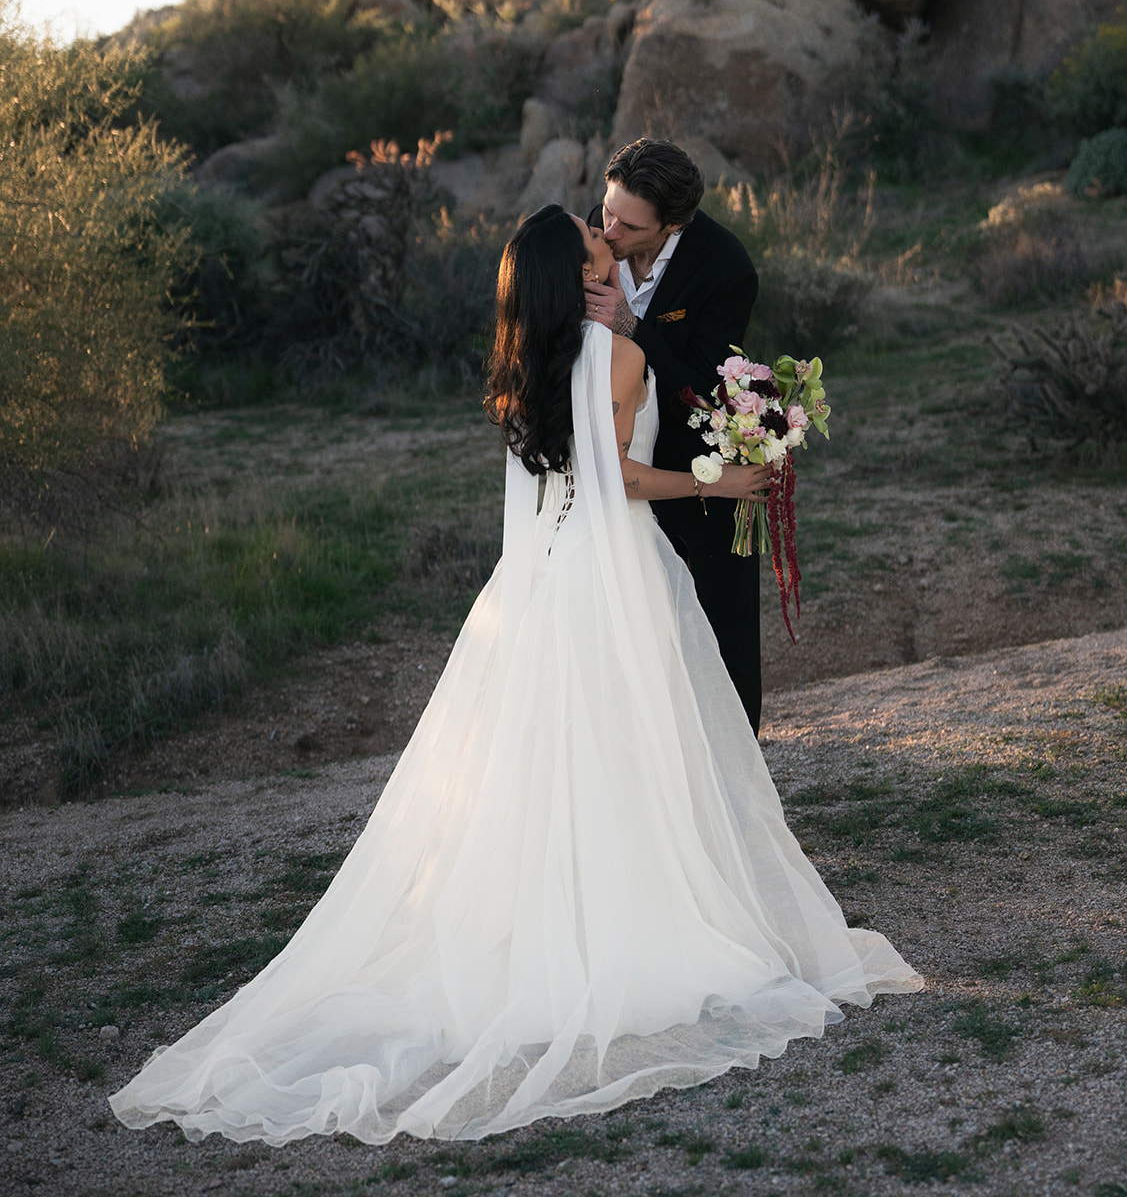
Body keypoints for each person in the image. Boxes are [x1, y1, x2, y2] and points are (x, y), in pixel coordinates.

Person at [109, 205, 920, 1148]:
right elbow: (617, 480)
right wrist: (719, 482)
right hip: (615, 569)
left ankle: (557, 920)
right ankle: (637, 921)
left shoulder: (525, 364)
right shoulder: (617, 360)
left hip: (538, 580)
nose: (608, 249)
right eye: (595, 246)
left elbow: (565, 477)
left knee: (555, 759)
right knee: (631, 746)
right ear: (573, 272)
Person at [585, 139, 764, 732]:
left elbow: (705, 389)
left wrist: (631, 327)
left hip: (703, 469)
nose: (607, 230)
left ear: (674, 223)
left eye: (628, 225)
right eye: (606, 210)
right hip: (616, 465)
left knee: (720, 627)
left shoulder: (725, 267)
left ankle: (734, 779)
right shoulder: (598, 231)